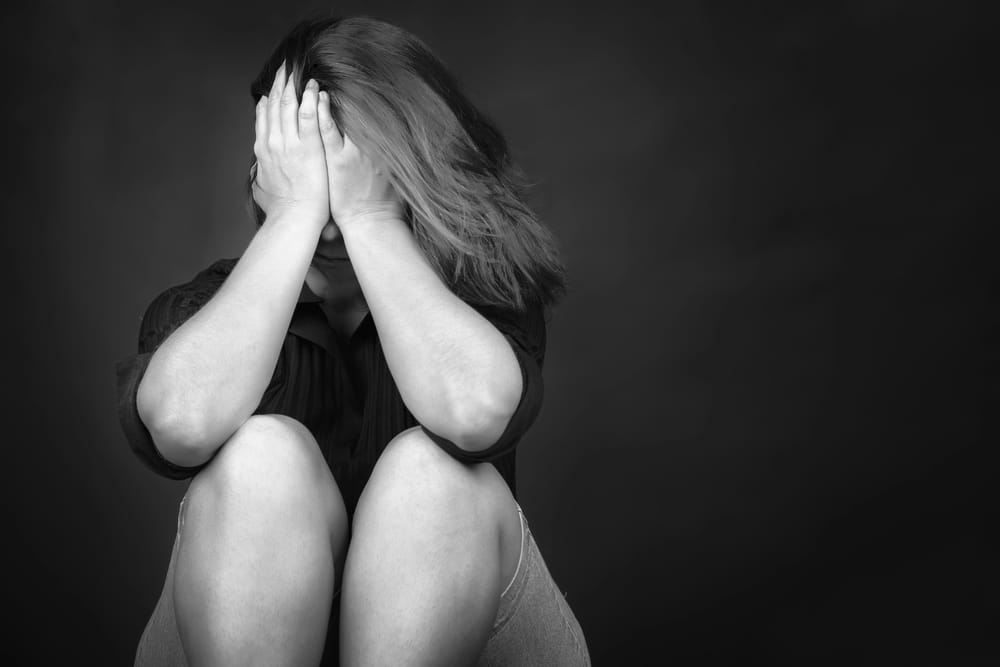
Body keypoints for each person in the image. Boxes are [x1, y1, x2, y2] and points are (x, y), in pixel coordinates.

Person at [116, 15, 590, 667]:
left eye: (356, 175)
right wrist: (291, 217)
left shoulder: (482, 300)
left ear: (408, 172)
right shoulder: (206, 310)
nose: (332, 221)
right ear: (270, 167)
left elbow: (474, 413)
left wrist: (371, 218)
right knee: (258, 457)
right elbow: (180, 421)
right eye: (310, 175)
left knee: (436, 474)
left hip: (474, 631)